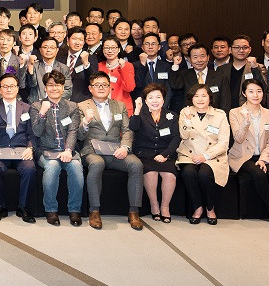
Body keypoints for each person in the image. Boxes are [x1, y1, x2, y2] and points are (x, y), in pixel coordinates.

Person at [77, 71, 144, 230]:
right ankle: (94, 210)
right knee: (96, 164)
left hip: (115, 150)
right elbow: (79, 135)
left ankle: (134, 211)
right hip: (92, 150)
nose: (101, 88)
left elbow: (127, 130)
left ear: (110, 87)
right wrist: (85, 121)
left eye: (104, 85)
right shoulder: (82, 106)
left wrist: (125, 147)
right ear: (90, 88)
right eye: (97, 85)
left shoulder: (119, 106)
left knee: (136, 165)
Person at [228, 79, 269, 226]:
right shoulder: (235, 112)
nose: (255, 95)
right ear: (244, 93)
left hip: (264, 155)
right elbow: (238, 138)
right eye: (251, 91)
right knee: (258, 174)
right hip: (242, 156)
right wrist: (246, 121)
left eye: (259, 91)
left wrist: (263, 159)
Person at [31, 72, 83, 226]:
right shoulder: (36, 106)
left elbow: (73, 130)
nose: (54, 88)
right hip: (45, 150)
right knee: (52, 166)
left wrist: (68, 150)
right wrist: (42, 113)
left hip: (67, 151)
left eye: (58, 85)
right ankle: (51, 209)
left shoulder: (72, 106)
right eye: (50, 85)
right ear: (45, 88)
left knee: (76, 167)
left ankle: (74, 210)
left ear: (63, 87)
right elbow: (36, 132)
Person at [0, 73, 37, 223]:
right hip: (0, 150)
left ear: (17, 89)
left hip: (21, 149)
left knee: (29, 168)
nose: (9, 89)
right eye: (5, 86)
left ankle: (23, 207)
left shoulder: (27, 108)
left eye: (12, 86)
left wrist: (30, 148)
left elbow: (32, 133)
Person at [177, 84, 230, 225]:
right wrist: (187, 121)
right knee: (188, 173)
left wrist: (205, 156)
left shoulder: (220, 115)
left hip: (212, 155)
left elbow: (223, 143)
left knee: (204, 174)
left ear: (210, 98)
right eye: (196, 96)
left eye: (204, 96)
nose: (200, 99)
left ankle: (210, 208)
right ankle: (197, 207)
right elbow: (183, 135)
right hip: (189, 154)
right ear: (191, 98)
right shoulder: (185, 112)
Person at [129, 84, 179, 224]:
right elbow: (133, 127)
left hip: (165, 153)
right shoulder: (140, 115)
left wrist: (165, 154)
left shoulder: (172, 116)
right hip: (145, 153)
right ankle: (154, 205)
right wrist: (137, 110)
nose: (155, 100)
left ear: (163, 99)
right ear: (145, 101)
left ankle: (165, 207)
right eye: (150, 98)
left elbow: (176, 138)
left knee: (169, 175)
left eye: (158, 97)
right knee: (151, 173)